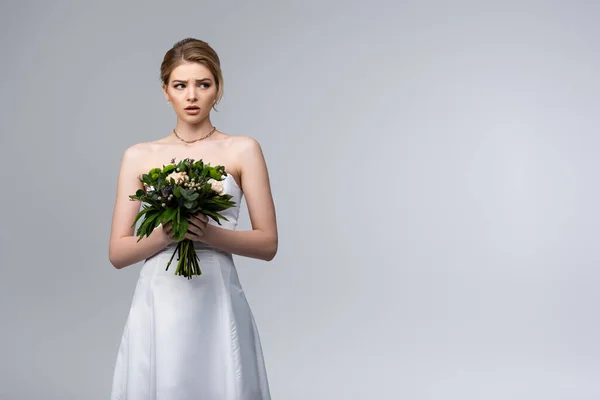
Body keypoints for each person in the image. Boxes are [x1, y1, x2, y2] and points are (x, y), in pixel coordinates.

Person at [108, 38, 278, 400]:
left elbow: (268, 243)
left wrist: (210, 235)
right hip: (160, 294)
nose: (192, 95)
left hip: (216, 292)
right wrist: (166, 235)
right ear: (165, 91)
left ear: (218, 88)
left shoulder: (243, 149)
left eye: (203, 84)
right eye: (180, 85)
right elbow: (117, 253)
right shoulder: (139, 155)